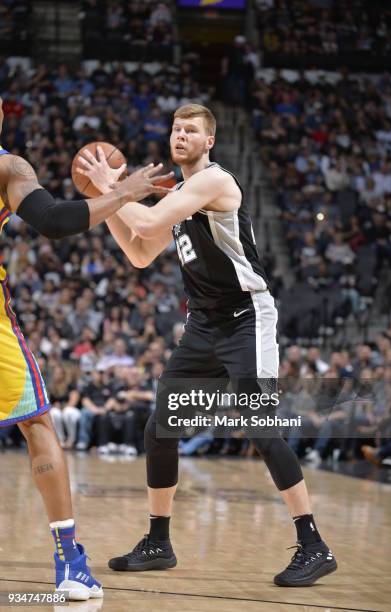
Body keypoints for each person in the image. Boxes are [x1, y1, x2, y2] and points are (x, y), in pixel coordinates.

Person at [80, 103, 337, 587]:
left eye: (191, 130)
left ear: (209, 141)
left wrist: (111, 190)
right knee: (160, 429)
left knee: (260, 426)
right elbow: (139, 252)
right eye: (176, 128)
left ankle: (314, 545)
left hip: (246, 319)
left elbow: (151, 223)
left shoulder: (215, 182)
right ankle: (158, 541)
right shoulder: (179, 192)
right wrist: (108, 201)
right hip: (203, 327)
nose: (180, 135)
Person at [0, 96, 172, 600]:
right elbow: (54, 219)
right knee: (36, 425)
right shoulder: (9, 166)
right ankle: (69, 561)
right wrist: (127, 191)